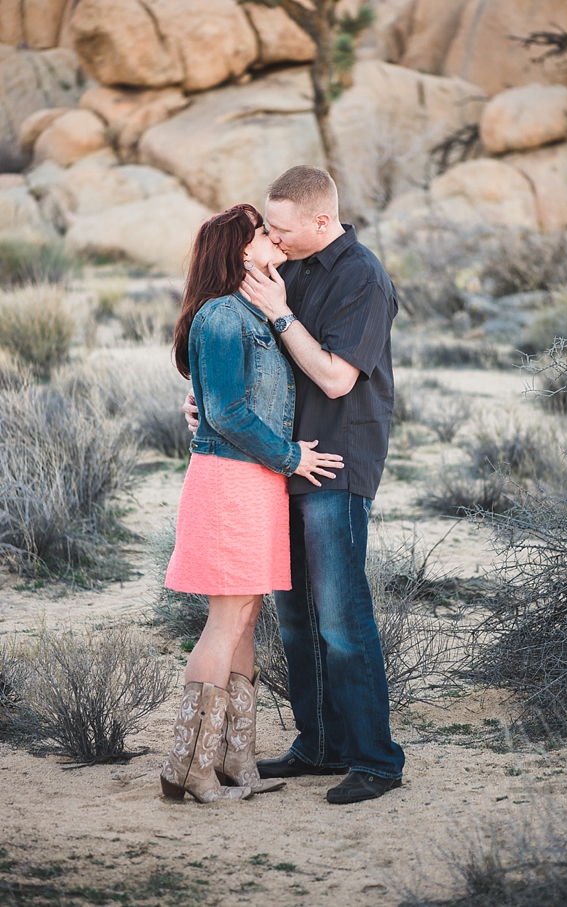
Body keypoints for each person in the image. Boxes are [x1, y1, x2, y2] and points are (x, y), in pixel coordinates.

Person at [228, 165, 405, 805]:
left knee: (341, 617)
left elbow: (335, 378)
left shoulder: (363, 277)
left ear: (322, 221)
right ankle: (320, 744)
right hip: (287, 460)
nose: (273, 238)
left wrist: (279, 315)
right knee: (297, 618)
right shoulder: (292, 270)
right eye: (268, 228)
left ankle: (376, 760)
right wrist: (213, 404)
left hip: (337, 462)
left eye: (282, 227)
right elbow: (262, 362)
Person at [162, 203, 345, 804]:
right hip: (231, 482)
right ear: (242, 251)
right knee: (225, 619)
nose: (275, 238)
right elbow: (227, 413)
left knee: (245, 619)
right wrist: (292, 456)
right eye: (264, 233)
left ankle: (235, 762)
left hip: (255, 483)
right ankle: (186, 767)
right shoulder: (220, 316)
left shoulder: (256, 315)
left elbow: (219, 402)